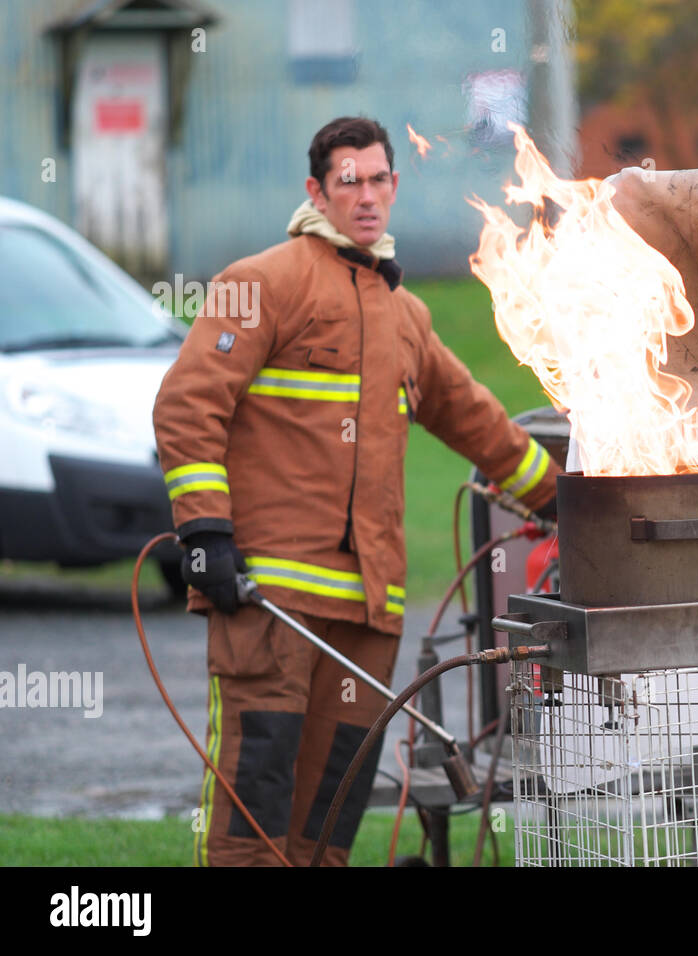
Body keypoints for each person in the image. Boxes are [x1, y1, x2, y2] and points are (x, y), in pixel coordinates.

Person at [154, 116, 559, 866]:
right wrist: (205, 533)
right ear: (318, 190)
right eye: (350, 182)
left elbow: (477, 422)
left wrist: (561, 499)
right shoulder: (260, 283)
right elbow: (187, 405)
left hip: (369, 615)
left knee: (328, 827)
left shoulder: (405, 314)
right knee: (254, 817)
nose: (366, 196)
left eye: (378, 180)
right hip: (271, 602)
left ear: (394, 186)